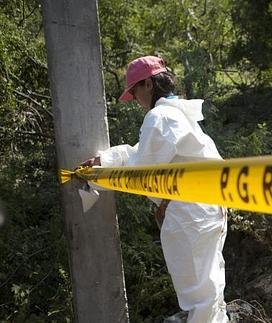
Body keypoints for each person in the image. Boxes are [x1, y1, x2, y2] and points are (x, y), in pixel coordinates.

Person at [80, 56, 228, 323]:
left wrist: (102, 173)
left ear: (147, 84)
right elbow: (142, 152)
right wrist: (106, 160)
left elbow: (143, 170)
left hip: (190, 211)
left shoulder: (159, 116)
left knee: (200, 296)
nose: (135, 100)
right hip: (208, 207)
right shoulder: (177, 114)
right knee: (211, 290)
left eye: (135, 92)